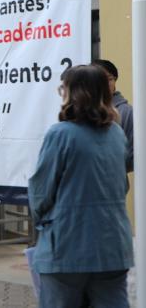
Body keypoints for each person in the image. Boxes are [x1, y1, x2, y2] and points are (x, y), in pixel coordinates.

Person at [28, 65, 133, 308]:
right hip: (113, 246)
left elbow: (41, 191)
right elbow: (120, 185)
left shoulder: (60, 134)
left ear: (72, 93)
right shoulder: (116, 134)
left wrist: (45, 224)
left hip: (66, 245)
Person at [92, 59, 134, 172]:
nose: (105, 84)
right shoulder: (82, 112)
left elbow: (133, 156)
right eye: (99, 79)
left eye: (110, 78)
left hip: (113, 181)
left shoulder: (126, 112)